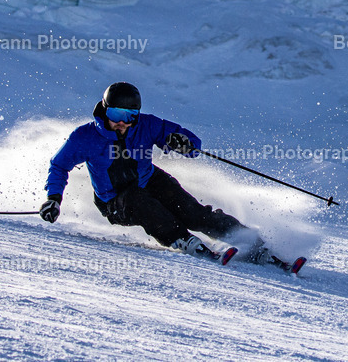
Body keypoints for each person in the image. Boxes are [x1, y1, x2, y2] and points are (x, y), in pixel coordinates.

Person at [40, 81, 267, 263]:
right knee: (141, 202)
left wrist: (182, 143)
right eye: (116, 115)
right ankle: (182, 239)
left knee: (191, 212)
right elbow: (59, 165)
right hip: (114, 201)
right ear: (104, 110)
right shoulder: (85, 137)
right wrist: (54, 199)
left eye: (129, 116)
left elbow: (191, 144)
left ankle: (248, 239)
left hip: (149, 181)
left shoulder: (147, 125)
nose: (122, 123)